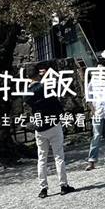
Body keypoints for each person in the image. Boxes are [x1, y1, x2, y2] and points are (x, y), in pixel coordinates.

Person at [25, 63, 75, 199]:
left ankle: (43, 188)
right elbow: (56, 102)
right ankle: (63, 185)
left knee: (42, 158)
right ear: (38, 73)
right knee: (59, 156)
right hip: (53, 124)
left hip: (40, 126)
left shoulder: (27, 93)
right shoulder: (46, 87)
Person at [84, 58, 105, 170]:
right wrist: (92, 111)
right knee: (96, 136)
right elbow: (88, 98)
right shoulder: (93, 82)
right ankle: (92, 161)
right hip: (98, 112)